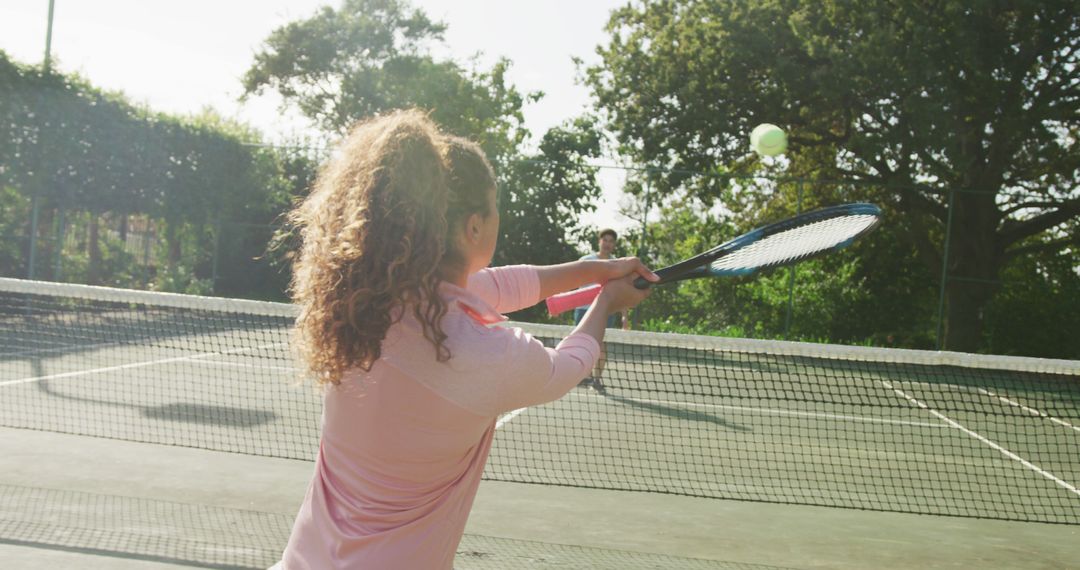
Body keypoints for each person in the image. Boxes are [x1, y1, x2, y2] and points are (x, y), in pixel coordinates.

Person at [273, 109, 656, 570]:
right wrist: (606, 304)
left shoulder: (362, 305)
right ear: (474, 226)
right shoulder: (488, 353)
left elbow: (503, 284)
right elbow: (566, 366)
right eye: (495, 209)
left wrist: (596, 272)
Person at [573, 228, 629, 394]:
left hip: (606, 311)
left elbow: (622, 293)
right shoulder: (586, 260)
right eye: (605, 240)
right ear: (599, 242)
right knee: (580, 343)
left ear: (614, 245)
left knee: (600, 345)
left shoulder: (618, 265)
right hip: (583, 309)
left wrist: (624, 317)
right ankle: (585, 376)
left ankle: (596, 379)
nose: (607, 244)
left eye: (611, 241)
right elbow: (575, 284)